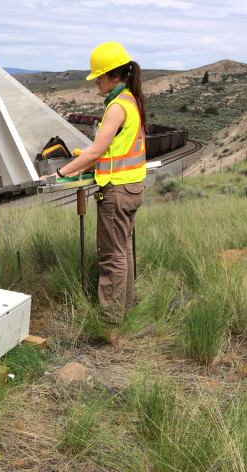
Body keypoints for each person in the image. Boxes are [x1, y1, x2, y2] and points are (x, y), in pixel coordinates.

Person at [46, 41, 147, 324]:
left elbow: (97, 151)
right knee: (123, 251)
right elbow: (115, 149)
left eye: (99, 77)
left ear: (114, 75)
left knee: (111, 257)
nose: (96, 83)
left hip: (117, 192)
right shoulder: (131, 100)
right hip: (132, 187)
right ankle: (123, 313)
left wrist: (62, 172)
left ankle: (110, 323)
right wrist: (88, 158)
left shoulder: (116, 107)